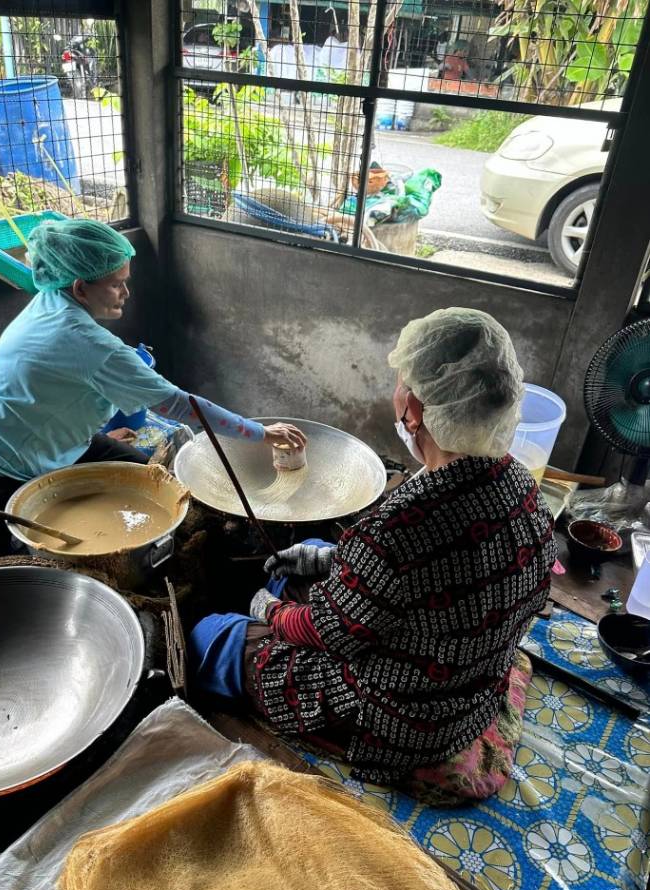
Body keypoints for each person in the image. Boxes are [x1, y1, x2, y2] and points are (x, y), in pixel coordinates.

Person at [190, 308, 556, 805]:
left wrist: (266, 611)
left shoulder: (400, 527)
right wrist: (328, 562)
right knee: (319, 553)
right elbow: (420, 575)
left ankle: (236, 638)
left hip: (399, 719)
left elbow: (329, 634)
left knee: (212, 634)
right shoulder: (521, 486)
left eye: (401, 382)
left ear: (416, 412)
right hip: (471, 686)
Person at [0, 219, 305, 562]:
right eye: (116, 283)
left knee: (159, 487)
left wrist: (90, 435)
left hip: (51, 446)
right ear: (80, 287)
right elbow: (180, 405)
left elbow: (58, 384)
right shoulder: (86, 342)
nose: (126, 292)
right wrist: (261, 432)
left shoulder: (53, 298)